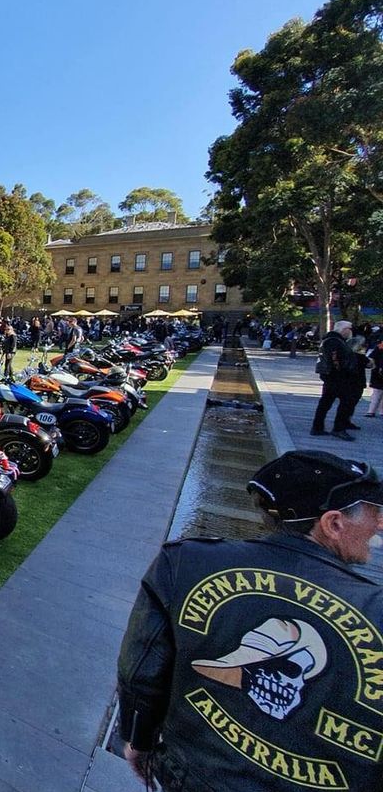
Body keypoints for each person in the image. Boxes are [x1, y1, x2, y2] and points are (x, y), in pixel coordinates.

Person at [118, 449, 383, 791]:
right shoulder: (373, 608)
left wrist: (138, 738)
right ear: (333, 523)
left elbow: (141, 673)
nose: (379, 524)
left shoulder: (187, 562)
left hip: (192, 775)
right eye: (374, 512)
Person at [312, 320, 358, 441]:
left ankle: (318, 427)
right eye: (350, 329)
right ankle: (338, 428)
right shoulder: (334, 341)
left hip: (331, 377)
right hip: (337, 378)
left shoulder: (332, 340)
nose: (351, 331)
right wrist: (343, 371)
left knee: (326, 402)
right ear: (344, 329)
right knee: (345, 403)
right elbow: (335, 359)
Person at [366, 338, 383, 418]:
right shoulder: (380, 346)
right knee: (377, 392)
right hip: (378, 372)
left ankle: (371, 411)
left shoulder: (379, 346)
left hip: (377, 372)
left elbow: (371, 357)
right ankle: (379, 411)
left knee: (377, 392)